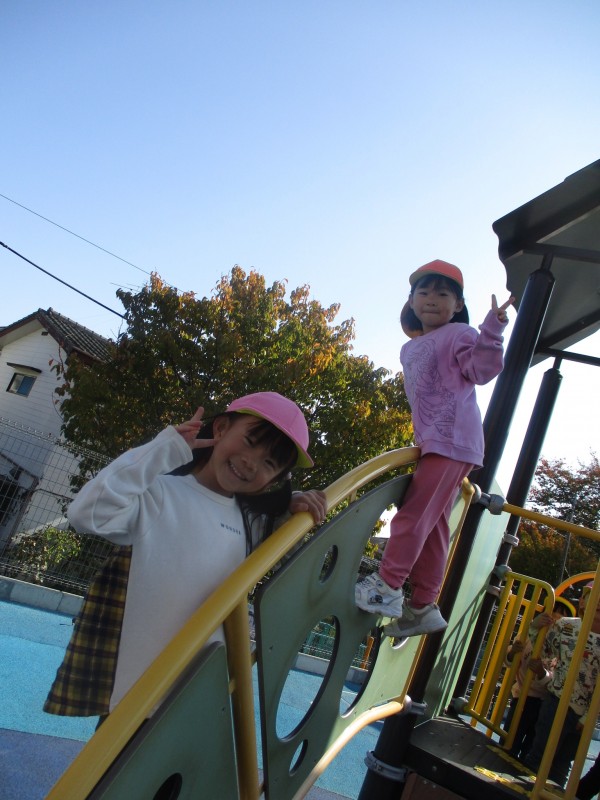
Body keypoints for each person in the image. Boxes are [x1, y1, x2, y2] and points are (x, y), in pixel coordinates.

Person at [44, 392, 327, 719]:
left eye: (269, 464)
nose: (251, 462)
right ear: (220, 428)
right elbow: (86, 514)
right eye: (249, 442)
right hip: (138, 699)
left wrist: (293, 508)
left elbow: (296, 567)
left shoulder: (252, 523)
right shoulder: (160, 493)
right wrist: (163, 449)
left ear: (275, 479)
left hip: (198, 699)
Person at [355, 259, 514, 637]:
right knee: (434, 524)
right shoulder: (409, 348)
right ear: (411, 300)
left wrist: (492, 329)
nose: (431, 299)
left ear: (457, 305)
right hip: (434, 441)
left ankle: (388, 585)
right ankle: (423, 605)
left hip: (452, 440)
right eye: (423, 292)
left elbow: (481, 371)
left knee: (412, 515)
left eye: (443, 294)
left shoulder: (460, 333)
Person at [523, 583, 600, 790]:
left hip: (585, 714)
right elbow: (544, 651)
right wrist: (534, 627)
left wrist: (588, 717)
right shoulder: (566, 626)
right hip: (556, 701)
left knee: (563, 764)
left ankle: (551, 792)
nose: (599, 602)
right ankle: (522, 790)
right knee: (539, 754)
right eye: (594, 596)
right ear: (582, 602)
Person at [503, 599, 570, 760]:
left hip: (545, 703)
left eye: (561, 616)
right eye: (552, 612)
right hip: (521, 697)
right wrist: (512, 653)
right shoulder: (528, 634)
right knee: (509, 741)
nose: (555, 617)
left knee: (532, 747)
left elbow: (559, 679)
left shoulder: (564, 647)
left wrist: (541, 673)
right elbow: (510, 662)